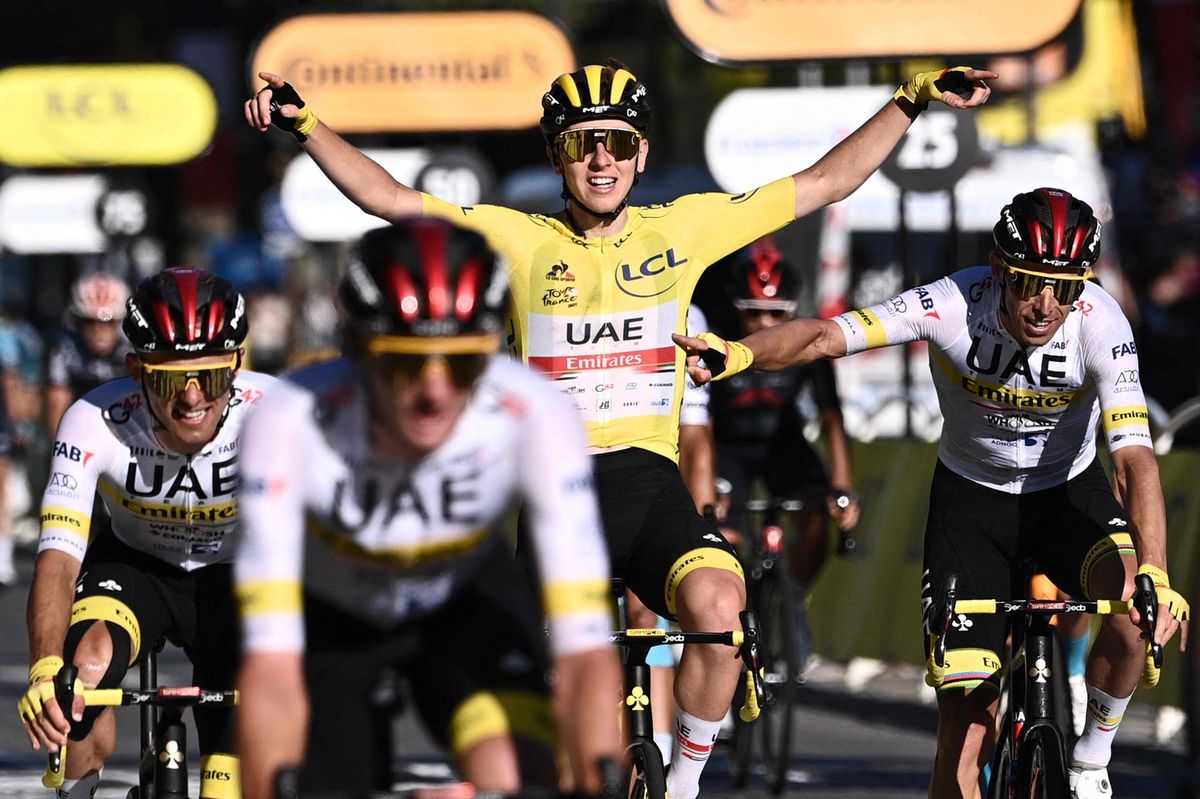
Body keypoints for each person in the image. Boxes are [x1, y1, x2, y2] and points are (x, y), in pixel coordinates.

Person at [246, 60, 994, 799]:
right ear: (554, 155)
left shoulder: (687, 226)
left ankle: (687, 783)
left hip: (648, 483)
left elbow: (828, 183)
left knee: (719, 609)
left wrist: (912, 97)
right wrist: (306, 126)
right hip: (553, 494)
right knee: (552, 717)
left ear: (639, 151)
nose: (599, 158)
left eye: (615, 140)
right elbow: (392, 200)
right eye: (579, 143)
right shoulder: (518, 237)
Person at [676, 188, 1191, 799]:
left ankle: (1091, 760)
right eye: (1029, 283)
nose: (1045, 305)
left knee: (1137, 608)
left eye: (1066, 288)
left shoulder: (1101, 323)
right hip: (971, 508)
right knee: (965, 734)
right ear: (1000, 270)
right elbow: (821, 338)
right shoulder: (952, 303)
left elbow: (1133, 459)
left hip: (1067, 494)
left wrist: (1155, 570)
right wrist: (738, 353)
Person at [233, 219, 619, 799]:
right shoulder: (288, 421)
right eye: (407, 364)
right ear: (360, 353)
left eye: (462, 365)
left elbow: (584, 649)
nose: (435, 391)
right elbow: (270, 668)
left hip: (462, 598)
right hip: (333, 615)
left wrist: (595, 777)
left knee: (519, 777)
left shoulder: (536, 412)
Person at [19, 267, 273, 799]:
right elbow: (59, 558)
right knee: (81, 672)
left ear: (238, 365)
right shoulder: (94, 418)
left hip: (236, 575)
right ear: (136, 371)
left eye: (213, 377)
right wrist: (46, 669)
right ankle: (77, 789)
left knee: (235, 766)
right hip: (135, 565)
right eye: (169, 379)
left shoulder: (276, 414)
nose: (193, 399)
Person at [709, 236, 860, 671]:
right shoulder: (716, 337)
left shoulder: (805, 345)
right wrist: (703, 489)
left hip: (783, 446)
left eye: (777, 313)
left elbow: (832, 418)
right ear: (736, 310)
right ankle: (730, 635)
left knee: (816, 520)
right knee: (724, 540)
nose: (765, 324)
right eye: (754, 313)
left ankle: (791, 599)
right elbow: (694, 426)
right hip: (728, 450)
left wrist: (843, 486)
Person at [45, 273, 133, 436]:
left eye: (108, 321)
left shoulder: (135, 350)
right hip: (78, 436)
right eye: (90, 321)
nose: (99, 330)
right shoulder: (65, 349)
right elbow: (56, 406)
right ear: (78, 321)